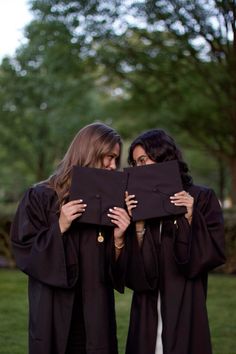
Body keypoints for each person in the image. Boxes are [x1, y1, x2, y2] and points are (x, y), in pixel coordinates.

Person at [10, 123, 130, 354]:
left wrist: (118, 239)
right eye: (109, 157)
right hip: (53, 312)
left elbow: (114, 271)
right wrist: (60, 226)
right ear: (89, 152)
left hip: (94, 315)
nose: (114, 166)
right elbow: (25, 252)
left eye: (117, 159)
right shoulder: (40, 197)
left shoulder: (110, 205)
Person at [124, 129, 225, 354]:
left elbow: (213, 253)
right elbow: (130, 270)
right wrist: (137, 225)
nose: (139, 169)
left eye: (143, 160)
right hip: (147, 304)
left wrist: (190, 217)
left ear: (162, 156)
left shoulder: (202, 198)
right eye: (135, 163)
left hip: (186, 300)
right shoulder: (135, 204)